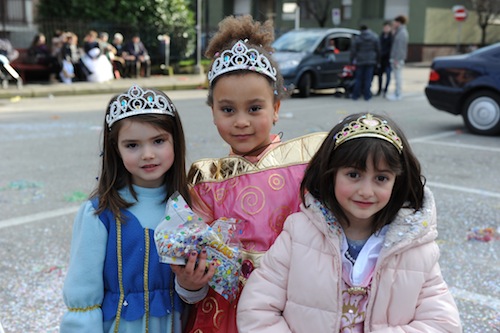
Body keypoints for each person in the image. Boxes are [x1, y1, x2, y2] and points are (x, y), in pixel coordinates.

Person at [238, 112, 463, 333]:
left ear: (397, 182)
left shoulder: (415, 248)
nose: (366, 191)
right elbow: (256, 310)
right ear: (331, 174)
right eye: (354, 175)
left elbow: (444, 324)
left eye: (381, 178)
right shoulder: (299, 233)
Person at [172, 15, 326, 333]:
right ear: (212, 111)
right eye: (228, 109)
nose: (241, 121)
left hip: (291, 306)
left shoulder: (307, 165)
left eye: (254, 108)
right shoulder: (205, 181)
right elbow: (195, 269)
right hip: (224, 313)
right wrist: (189, 283)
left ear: (276, 108)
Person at [60, 85, 202, 332]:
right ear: (116, 149)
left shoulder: (189, 206)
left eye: (158, 141)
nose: (148, 154)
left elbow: (194, 292)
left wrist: (192, 285)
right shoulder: (99, 213)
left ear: (175, 141)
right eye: (132, 145)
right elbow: (82, 292)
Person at [350, 24, 380, 101]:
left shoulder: (358, 38)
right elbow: (378, 49)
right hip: (371, 61)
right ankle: (367, 95)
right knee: (368, 79)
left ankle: (355, 95)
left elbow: (353, 51)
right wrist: (377, 60)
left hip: (360, 61)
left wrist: (351, 61)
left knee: (358, 79)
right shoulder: (374, 37)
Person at [387, 15, 409, 101]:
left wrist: (396, 59)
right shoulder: (399, 31)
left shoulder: (402, 33)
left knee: (398, 77)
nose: (393, 23)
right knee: (396, 77)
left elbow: (400, 48)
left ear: (398, 22)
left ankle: (398, 94)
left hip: (397, 59)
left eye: (395, 22)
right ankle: (397, 93)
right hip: (396, 58)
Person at [376, 21, 393, 97]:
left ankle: (385, 90)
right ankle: (379, 89)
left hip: (388, 60)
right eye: (384, 27)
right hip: (381, 60)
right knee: (380, 76)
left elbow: (391, 49)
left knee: (388, 76)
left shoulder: (392, 37)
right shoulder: (381, 37)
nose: (385, 29)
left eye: (387, 27)